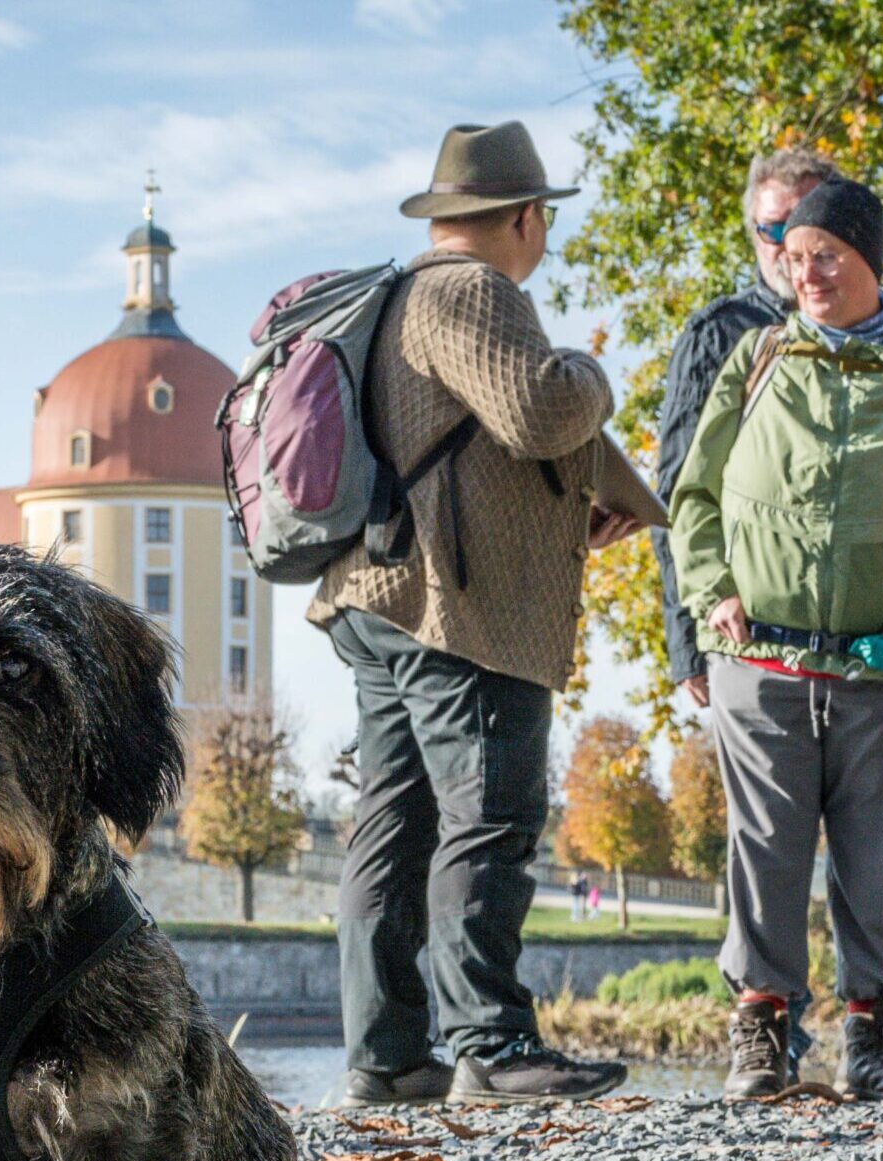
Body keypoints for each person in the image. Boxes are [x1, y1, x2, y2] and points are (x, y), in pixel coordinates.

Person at [653, 148, 883, 1102]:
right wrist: (709, 595)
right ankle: (761, 1037)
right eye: (791, 255)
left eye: (825, 253)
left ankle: (874, 1042)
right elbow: (690, 496)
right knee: (765, 854)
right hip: (761, 662)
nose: (806, 271)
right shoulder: (751, 358)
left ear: (870, 259)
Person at [312, 121, 659, 1107]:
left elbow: (475, 447)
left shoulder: (396, 299)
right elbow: (541, 412)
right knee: (489, 815)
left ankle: (387, 1056)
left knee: (395, 823)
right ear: (526, 216)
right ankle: (492, 1045)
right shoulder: (468, 290)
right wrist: (591, 369)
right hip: (458, 612)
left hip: (382, 596)